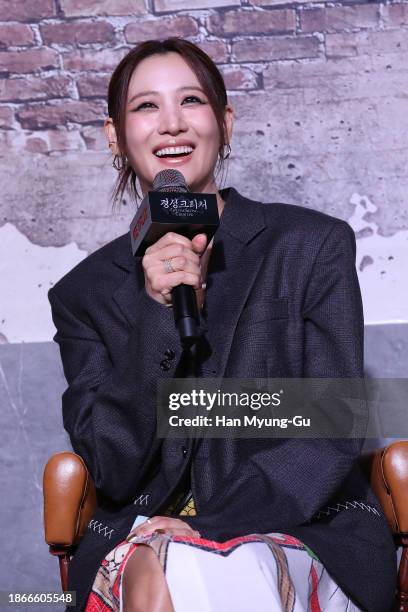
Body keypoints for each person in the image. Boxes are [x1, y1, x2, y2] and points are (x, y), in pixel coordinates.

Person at [48, 38, 396, 612]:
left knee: (196, 570)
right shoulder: (85, 295)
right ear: (115, 135)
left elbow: (331, 426)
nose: (171, 124)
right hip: (144, 532)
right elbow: (109, 465)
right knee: (160, 568)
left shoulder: (310, 247)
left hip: (298, 525)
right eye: (145, 107)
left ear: (225, 122)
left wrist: (213, 525)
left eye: (191, 100)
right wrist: (157, 315)